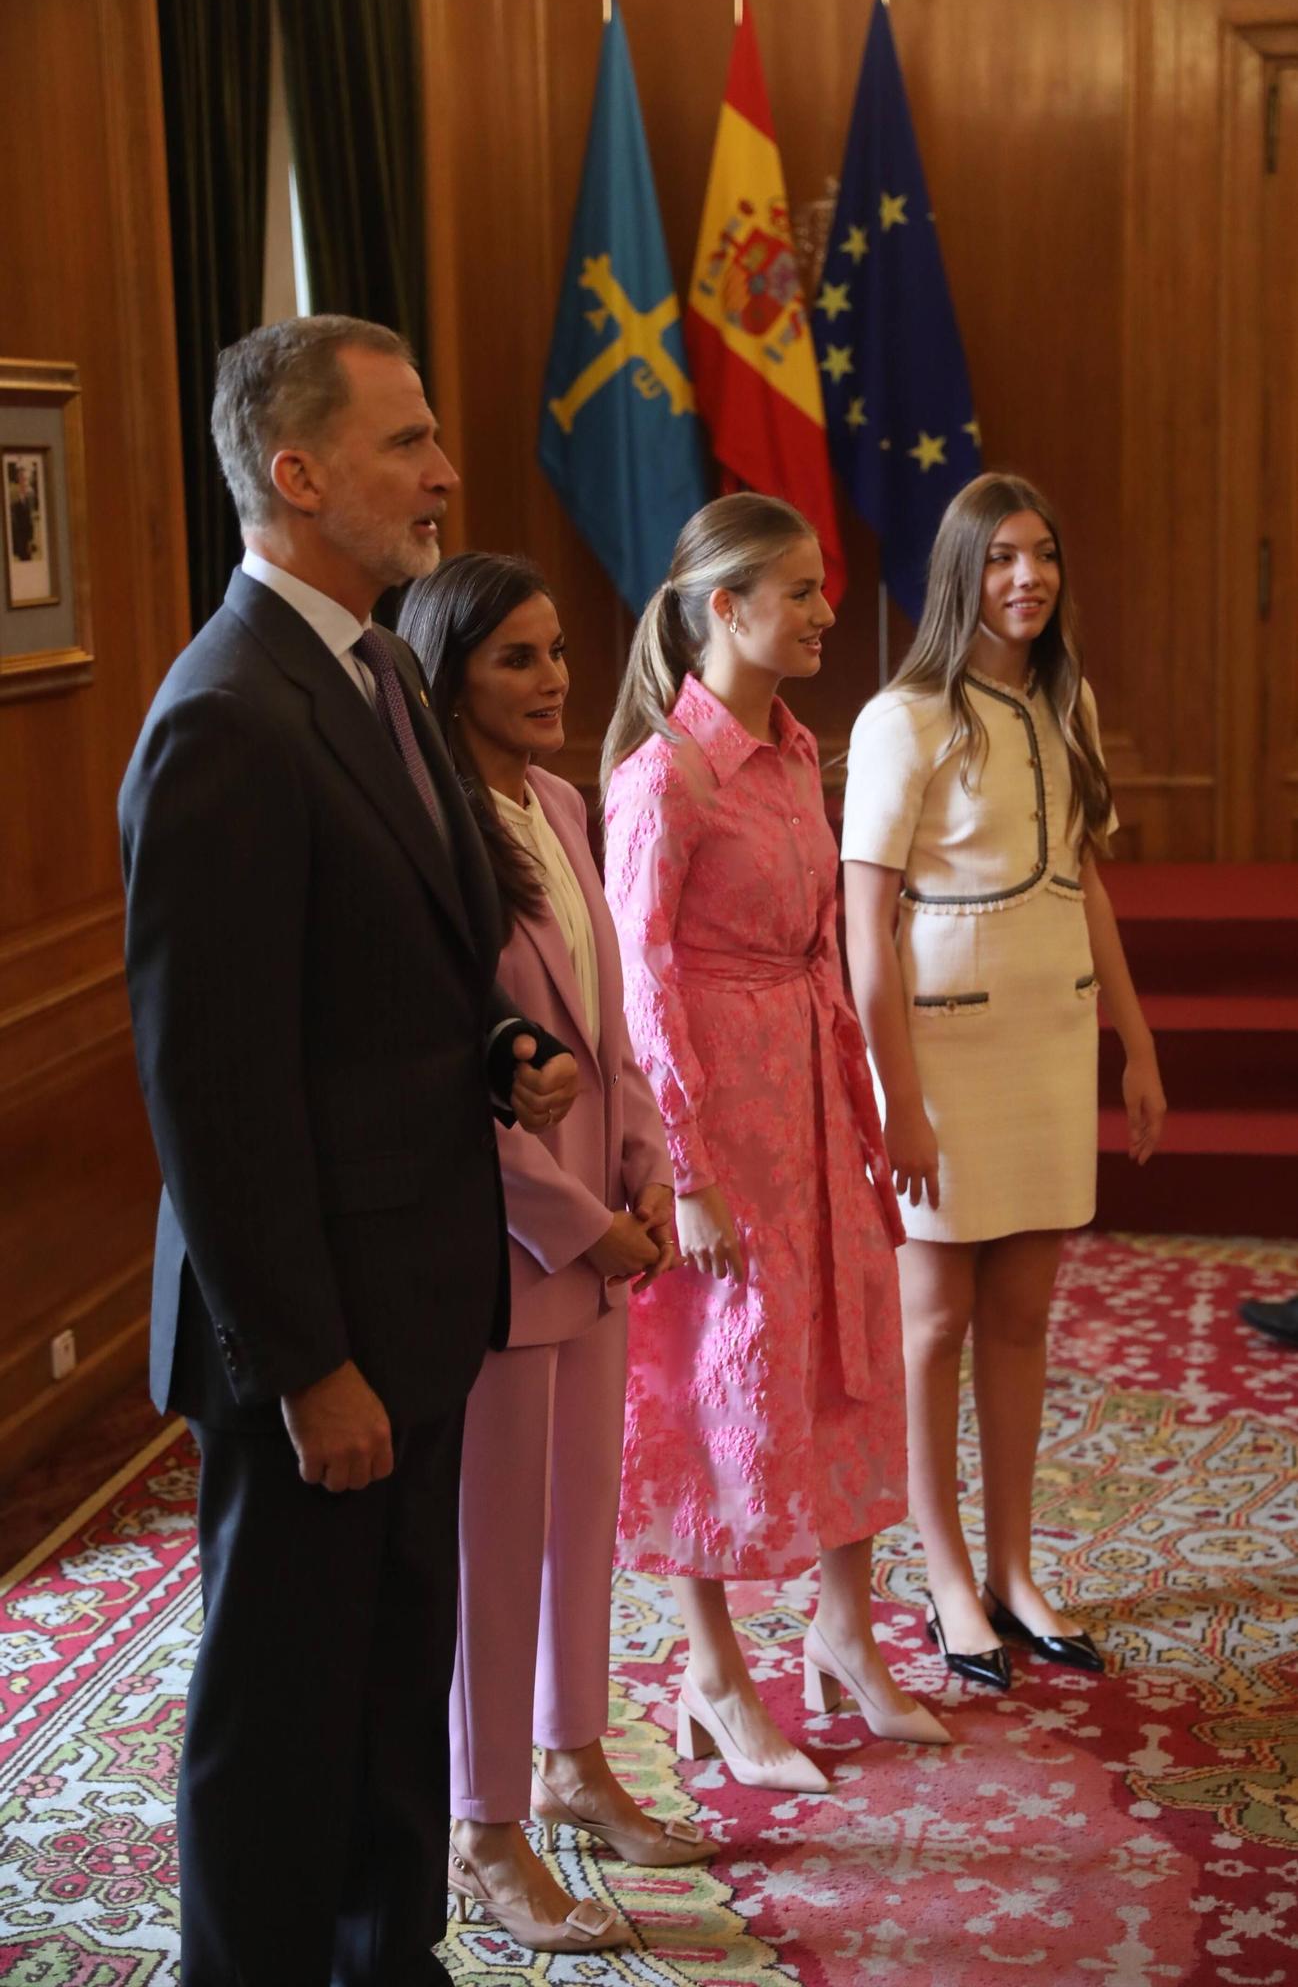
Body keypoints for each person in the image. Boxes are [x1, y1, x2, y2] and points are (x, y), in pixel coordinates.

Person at [118, 315, 578, 1987]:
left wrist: (497, 1047)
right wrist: (309, 1364)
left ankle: (391, 1960)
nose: (445, 471)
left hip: (421, 1295)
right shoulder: (223, 717)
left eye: (435, 436)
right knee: (279, 1727)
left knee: (395, 1692)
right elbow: (212, 1091)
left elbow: (377, 971)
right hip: (311, 1343)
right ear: (298, 476)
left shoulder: (376, 666)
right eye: (407, 444)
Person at [601, 492, 948, 1798]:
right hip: (720, 1125)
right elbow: (640, 988)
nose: (821, 612)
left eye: (820, 588)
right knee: (710, 1383)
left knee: (847, 1362)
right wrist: (680, 1172)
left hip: (811, 1098)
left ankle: (843, 1640)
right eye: (796, 592)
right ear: (720, 609)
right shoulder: (662, 778)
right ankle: (709, 1673)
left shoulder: (799, 753)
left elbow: (828, 945)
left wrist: (867, 1105)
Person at [400, 552, 716, 1954]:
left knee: (581, 1521)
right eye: (515, 657)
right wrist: (585, 1224)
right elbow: (458, 1080)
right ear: (447, 668)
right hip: (511, 1244)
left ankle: (573, 1761)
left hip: (601, 1233)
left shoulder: (563, 804)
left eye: (554, 653)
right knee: (495, 1543)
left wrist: (644, 1176)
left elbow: (608, 1026)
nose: (551, 679)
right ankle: (485, 1832)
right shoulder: (435, 834)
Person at [842, 471, 1167, 1688]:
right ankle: (940, 1570)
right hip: (939, 1053)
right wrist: (897, 1098)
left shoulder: (1064, 698)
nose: (1024, 577)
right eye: (998, 558)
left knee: (1024, 1316)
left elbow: (1083, 881)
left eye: (1040, 555)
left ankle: (1014, 1566)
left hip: (1045, 1041)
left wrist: (1132, 1042)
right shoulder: (902, 715)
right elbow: (860, 924)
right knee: (931, 1322)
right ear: (957, 573)